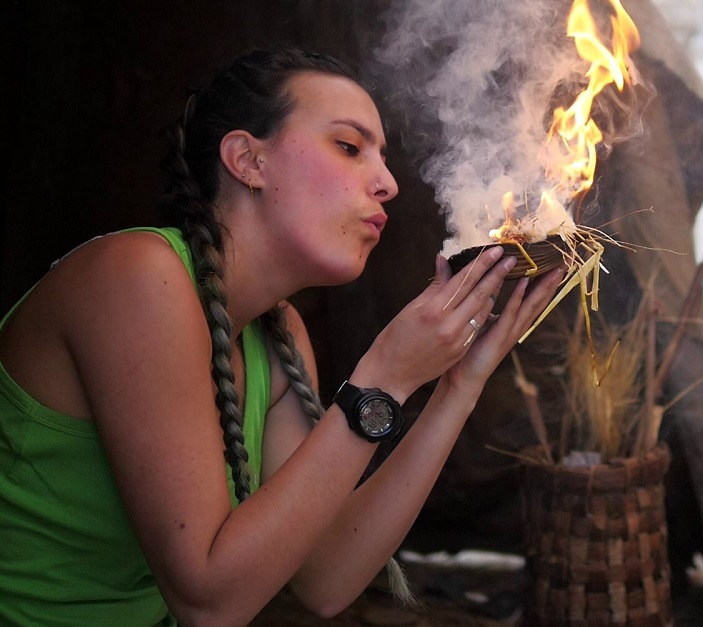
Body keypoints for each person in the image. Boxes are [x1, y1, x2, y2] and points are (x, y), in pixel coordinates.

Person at [0, 47, 563, 625]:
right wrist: (384, 379)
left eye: (382, 158)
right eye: (349, 147)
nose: (389, 183)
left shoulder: (277, 331)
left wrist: (457, 385)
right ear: (248, 160)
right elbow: (209, 603)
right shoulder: (137, 276)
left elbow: (325, 576)